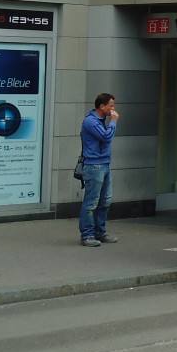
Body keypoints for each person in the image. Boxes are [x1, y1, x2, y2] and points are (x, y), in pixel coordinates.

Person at [80, 93, 119, 247]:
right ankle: (87, 235)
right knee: (91, 202)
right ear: (101, 106)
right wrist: (114, 122)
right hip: (94, 165)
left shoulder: (101, 121)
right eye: (111, 105)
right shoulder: (91, 121)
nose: (113, 108)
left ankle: (100, 232)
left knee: (105, 201)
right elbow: (106, 137)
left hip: (104, 164)